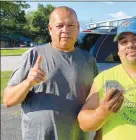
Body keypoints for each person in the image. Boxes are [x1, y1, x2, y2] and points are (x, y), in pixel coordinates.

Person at [3, 6, 99, 140]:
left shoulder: (88, 59)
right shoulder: (34, 55)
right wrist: (28, 82)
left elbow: (96, 100)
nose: (65, 30)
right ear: (50, 29)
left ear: (78, 27)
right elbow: (8, 100)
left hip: (77, 136)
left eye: (71, 25)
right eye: (60, 25)